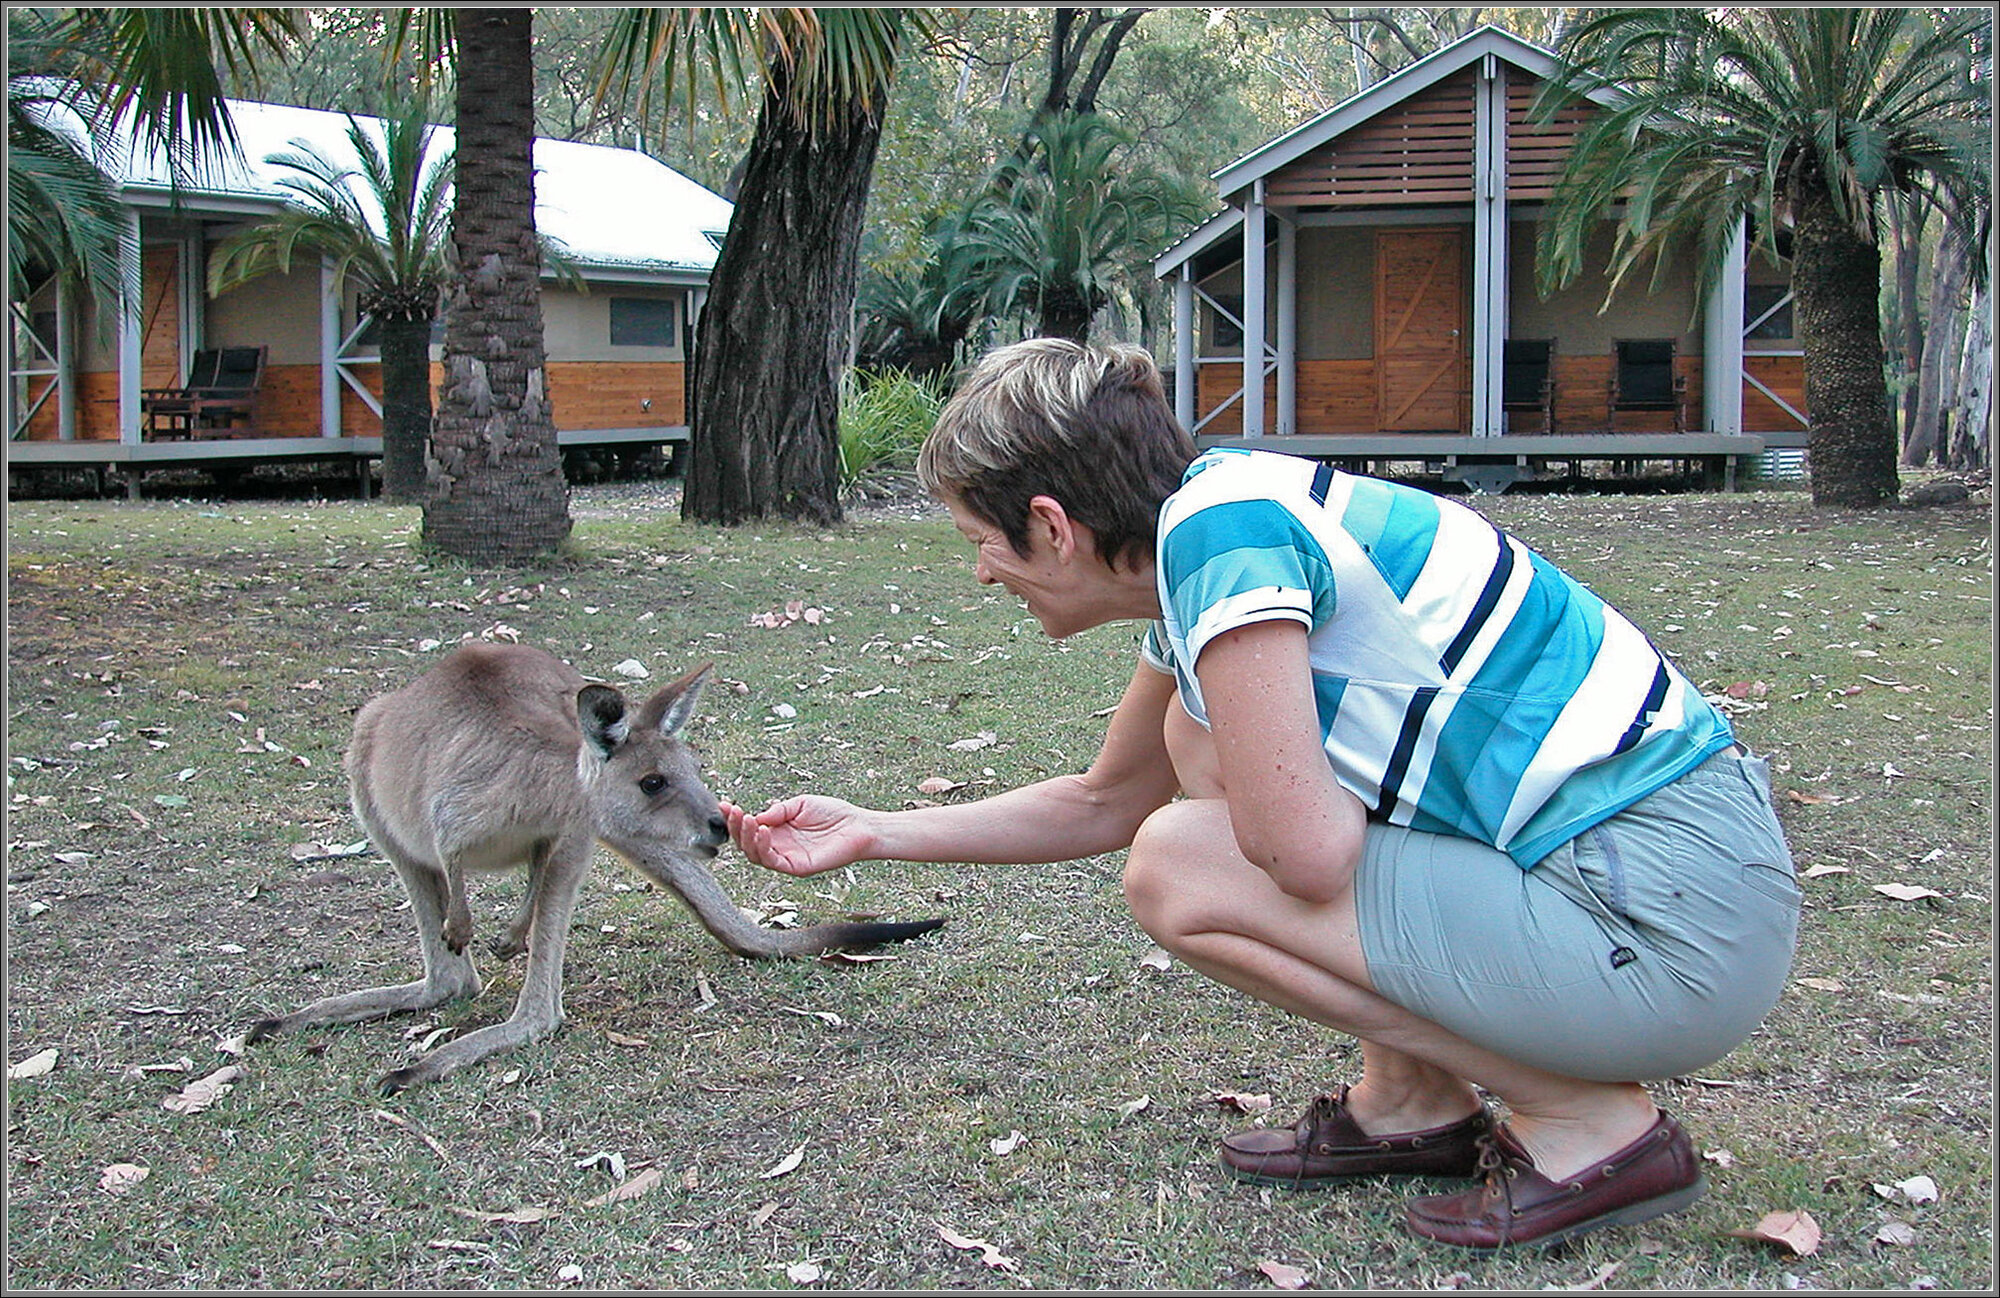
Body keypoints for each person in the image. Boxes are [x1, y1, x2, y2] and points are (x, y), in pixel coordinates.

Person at [721, 338, 1801, 1251]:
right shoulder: (1216, 525)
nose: (981, 573)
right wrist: (873, 832)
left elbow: (1304, 857)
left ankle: (1586, 1123)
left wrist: (1238, 762)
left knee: (1182, 851)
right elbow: (1103, 800)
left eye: (980, 541)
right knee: (1190, 769)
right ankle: (1410, 1101)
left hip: (1660, 915)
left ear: (1050, 525)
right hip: (1658, 897)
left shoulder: (1221, 533)